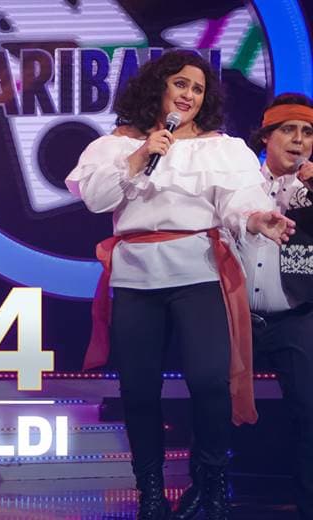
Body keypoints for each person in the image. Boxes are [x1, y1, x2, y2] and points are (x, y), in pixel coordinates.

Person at [65, 50, 295, 520]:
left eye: (198, 89)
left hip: (198, 272)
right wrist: (140, 155)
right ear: (158, 86)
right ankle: (150, 492)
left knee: (210, 381)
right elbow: (96, 198)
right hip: (135, 278)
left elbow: (239, 200)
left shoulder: (220, 149)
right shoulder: (116, 146)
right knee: (138, 390)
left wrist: (257, 219)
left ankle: (210, 485)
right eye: (181, 84)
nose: (189, 95)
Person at [174, 93, 313, 520]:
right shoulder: (237, 179)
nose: (299, 140)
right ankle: (204, 492)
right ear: (265, 136)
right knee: (211, 398)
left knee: (309, 408)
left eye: (308, 132)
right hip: (231, 315)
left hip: (295, 314)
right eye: (288, 130)